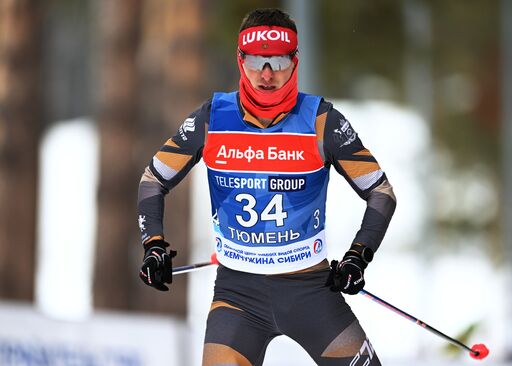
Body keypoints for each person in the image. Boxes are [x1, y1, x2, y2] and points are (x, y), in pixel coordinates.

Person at [137, 8, 396, 366]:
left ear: (295, 61)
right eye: (257, 61)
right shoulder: (212, 118)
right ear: (240, 60)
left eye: (278, 61)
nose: (267, 74)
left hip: (311, 293)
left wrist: (358, 256)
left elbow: (380, 193)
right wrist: (153, 245)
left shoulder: (322, 121)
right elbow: (153, 180)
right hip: (237, 297)